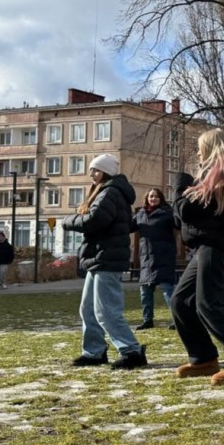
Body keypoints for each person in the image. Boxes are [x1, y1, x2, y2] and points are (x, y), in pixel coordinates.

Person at [170, 128, 224, 385]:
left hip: (215, 247)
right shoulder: (219, 177)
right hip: (205, 246)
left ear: (210, 148)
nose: (197, 153)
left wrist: (180, 183)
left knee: (209, 303)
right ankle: (204, 357)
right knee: (181, 301)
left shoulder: (222, 178)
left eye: (200, 148)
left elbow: (185, 211)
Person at [63, 154, 147, 369]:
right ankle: (94, 352)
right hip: (100, 257)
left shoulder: (110, 191)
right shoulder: (107, 191)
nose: (92, 174)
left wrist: (68, 221)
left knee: (106, 310)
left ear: (107, 172)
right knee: (88, 309)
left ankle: (132, 351)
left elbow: (95, 220)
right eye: (91, 170)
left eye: (96, 170)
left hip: (107, 258)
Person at [132, 188, 178, 330]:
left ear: (161, 198)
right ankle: (148, 320)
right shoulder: (140, 214)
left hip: (164, 256)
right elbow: (127, 227)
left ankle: (177, 320)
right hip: (146, 259)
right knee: (145, 292)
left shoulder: (168, 213)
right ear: (147, 198)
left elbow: (179, 225)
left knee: (168, 291)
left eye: (157, 196)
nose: (154, 199)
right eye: (151, 196)